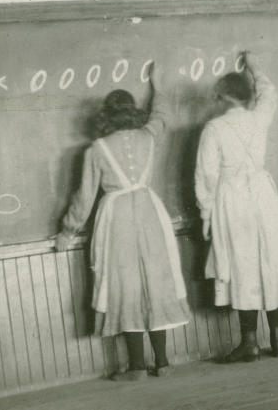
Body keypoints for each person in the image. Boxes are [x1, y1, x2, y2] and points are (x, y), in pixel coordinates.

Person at [55, 64, 190, 381]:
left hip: (115, 219)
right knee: (156, 282)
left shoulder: (96, 149)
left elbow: (84, 199)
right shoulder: (149, 136)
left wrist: (67, 232)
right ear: (132, 112)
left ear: (106, 115)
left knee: (125, 286)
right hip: (150, 212)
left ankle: (137, 367)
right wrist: (156, 86)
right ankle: (163, 362)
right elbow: (161, 115)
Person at [195, 52, 278, 362]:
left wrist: (205, 214)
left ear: (222, 97)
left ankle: (250, 343)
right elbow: (269, 91)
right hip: (263, 194)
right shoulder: (260, 115)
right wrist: (254, 66)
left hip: (232, 199)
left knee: (243, 266)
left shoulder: (214, 129)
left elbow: (206, 176)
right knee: (270, 261)